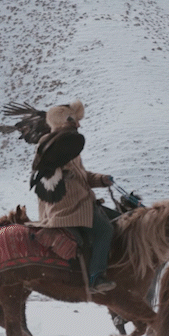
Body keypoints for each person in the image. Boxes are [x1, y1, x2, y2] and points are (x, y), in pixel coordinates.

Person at [33, 100, 115, 293]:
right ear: (61, 121)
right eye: (73, 120)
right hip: (66, 207)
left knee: (122, 219)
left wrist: (101, 179)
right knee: (105, 230)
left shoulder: (69, 146)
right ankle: (95, 278)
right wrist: (65, 176)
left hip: (83, 203)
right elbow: (48, 177)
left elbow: (82, 175)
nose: (78, 124)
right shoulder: (50, 144)